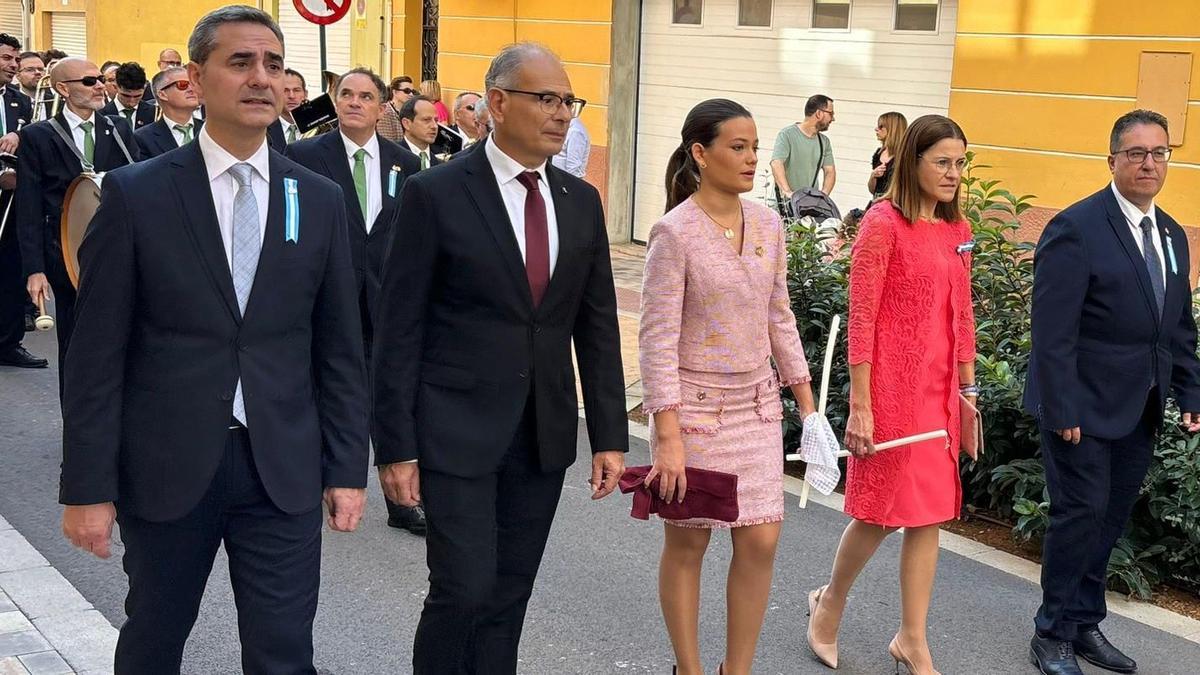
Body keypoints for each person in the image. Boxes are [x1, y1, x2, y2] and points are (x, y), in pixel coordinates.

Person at [57, 7, 369, 673]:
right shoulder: (137, 197)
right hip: (168, 466)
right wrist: (86, 484)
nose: (261, 78)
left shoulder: (315, 198)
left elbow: (339, 346)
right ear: (196, 78)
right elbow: (95, 355)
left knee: (284, 650)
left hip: (280, 468)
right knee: (154, 641)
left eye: (274, 64)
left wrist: (347, 466)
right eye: (240, 62)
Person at [372, 42, 627, 674]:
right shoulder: (435, 193)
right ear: (498, 102)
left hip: (540, 433)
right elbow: (398, 329)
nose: (562, 113)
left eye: (569, 101)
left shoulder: (579, 201)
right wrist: (395, 447)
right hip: (454, 430)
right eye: (547, 99)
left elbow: (595, 327)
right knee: (463, 589)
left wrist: (610, 435)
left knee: (510, 595)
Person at [640, 98, 817, 675]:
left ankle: (734, 671)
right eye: (737, 147)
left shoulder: (768, 223)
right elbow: (656, 339)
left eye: (754, 148)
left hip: (758, 407)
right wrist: (666, 435)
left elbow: (779, 315)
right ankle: (688, 669)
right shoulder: (675, 232)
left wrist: (808, 410)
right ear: (700, 153)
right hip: (695, 415)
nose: (750, 159)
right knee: (689, 543)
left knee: (762, 541)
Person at [1023, 109, 1200, 675]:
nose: (1149, 164)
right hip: (1082, 404)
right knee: (1080, 513)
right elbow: (1052, 330)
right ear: (1113, 160)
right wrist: (1061, 404)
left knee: (1112, 514)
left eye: (1159, 153)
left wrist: (1191, 391)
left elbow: (1177, 325)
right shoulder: (1077, 227)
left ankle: (1083, 623)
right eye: (1136, 154)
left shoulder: (1171, 233)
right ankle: (1051, 634)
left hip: (1140, 403)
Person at [805, 114, 975, 675]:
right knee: (879, 514)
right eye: (942, 162)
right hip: (891, 393)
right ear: (913, 163)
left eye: (959, 163)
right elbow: (863, 317)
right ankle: (830, 604)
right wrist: (861, 403)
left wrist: (969, 393)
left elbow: (964, 315)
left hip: (941, 394)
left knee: (928, 517)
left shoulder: (956, 231)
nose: (953, 173)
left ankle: (912, 637)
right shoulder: (883, 224)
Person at [284, 67, 427, 536]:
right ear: (334, 98)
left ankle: (400, 498)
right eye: (346, 94)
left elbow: (407, 234)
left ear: (382, 105)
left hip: (384, 301)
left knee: (387, 397)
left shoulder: (403, 162)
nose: (354, 102)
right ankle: (324, 482)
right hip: (326, 297)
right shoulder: (304, 155)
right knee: (327, 391)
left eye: (366, 96)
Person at [16, 57, 139, 385]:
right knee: (75, 344)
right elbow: (27, 206)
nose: (99, 85)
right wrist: (34, 269)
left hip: (116, 248)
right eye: (88, 81)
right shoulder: (38, 136)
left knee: (122, 340)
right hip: (66, 253)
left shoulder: (119, 128)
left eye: (100, 78)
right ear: (62, 89)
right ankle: (78, 429)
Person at [0, 33, 46, 370]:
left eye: (15, 59)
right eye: (6, 59)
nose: (13, 66)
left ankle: (8, 343)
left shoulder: (21, 101)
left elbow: (29, 150)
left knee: (11, 270)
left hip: (11, 199)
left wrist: (20, 135)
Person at [770, 94, 836, 205]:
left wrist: (822, 196)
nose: (833, 119)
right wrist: (788, 193)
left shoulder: (824, 142)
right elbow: (776, 163)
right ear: (819, 113)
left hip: (807, 207)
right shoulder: (787, 135)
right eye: (831, 114)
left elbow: (830, 171)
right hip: (784, 206)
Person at [134, 66, 202, 158]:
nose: (191, 89)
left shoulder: (211, 130)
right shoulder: (143, 138)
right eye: (183, 85)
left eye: (194, 84)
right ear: (162, 94)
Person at [100, 62, 156, 132]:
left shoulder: (154, 114)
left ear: (145, 88)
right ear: (115, 87)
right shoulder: (101, 115)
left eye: (137, 96)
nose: (131, 102)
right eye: (126, 96)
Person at [868, 111, 906, 202]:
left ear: (892, 130)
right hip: (877, 204)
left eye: (881, 127)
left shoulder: (904, 157)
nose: (876, 129)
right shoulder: (879, 153)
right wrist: (873, 176)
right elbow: (873, 190)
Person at [398, 95, 442, 169]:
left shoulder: (440, 162)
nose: (434, 126)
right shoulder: (391, 156)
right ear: (406, 123)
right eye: (426, 120)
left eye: (436, 120)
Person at [377, 75, 414, 142]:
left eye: (412, 91)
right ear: (395, 92)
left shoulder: (411, 112)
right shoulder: (386, 112)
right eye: (407, 91)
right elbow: (386, 142)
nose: (411, 94)